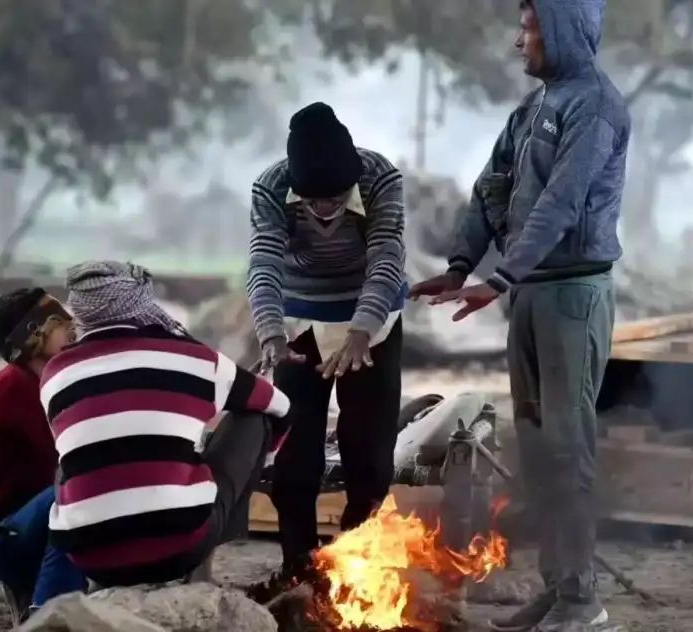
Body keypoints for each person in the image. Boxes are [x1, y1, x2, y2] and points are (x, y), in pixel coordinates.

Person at [409, 1, 629, 630]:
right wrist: (460, 264)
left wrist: (501, 277)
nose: (517, 42)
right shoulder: (533, 108)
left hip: (573, 297)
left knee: (569, 448)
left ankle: (583, 601)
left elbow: (562, 202)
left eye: (528, 29)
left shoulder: (596, 107)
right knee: (536, 451)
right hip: (529, 295)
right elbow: (490, 189)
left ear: (560, 30)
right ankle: (557, 589)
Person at [42, 260, 291, 587]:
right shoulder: (192, 357)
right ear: (142, 300)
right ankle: (200, 573)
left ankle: (100, 587)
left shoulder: (55, 372)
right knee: (254, 417)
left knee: (73, 458)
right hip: (179, 549)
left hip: (90, 560)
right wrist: (263, 457)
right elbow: (280, 406)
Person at [244, 102, 406, 597]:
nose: (325, 210)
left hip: (371, 320)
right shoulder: (270, 188)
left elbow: (386, 257)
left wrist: (361, 332)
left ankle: (357, 569)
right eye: (313, 202)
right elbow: (264, 262)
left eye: (335, 199)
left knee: (369, 450)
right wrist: (271, 334)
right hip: (300, 322)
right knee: (295, 451)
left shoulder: (380, 178)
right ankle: (299, 567)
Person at [0, 288, 87, 618]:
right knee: (77, 492)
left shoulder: (48, 384)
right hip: (1, 537)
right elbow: (69, 457)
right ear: (33, 335)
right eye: (58, 320)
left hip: (30, 519)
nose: (71, 326)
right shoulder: (15, 387)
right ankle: (47, 615)